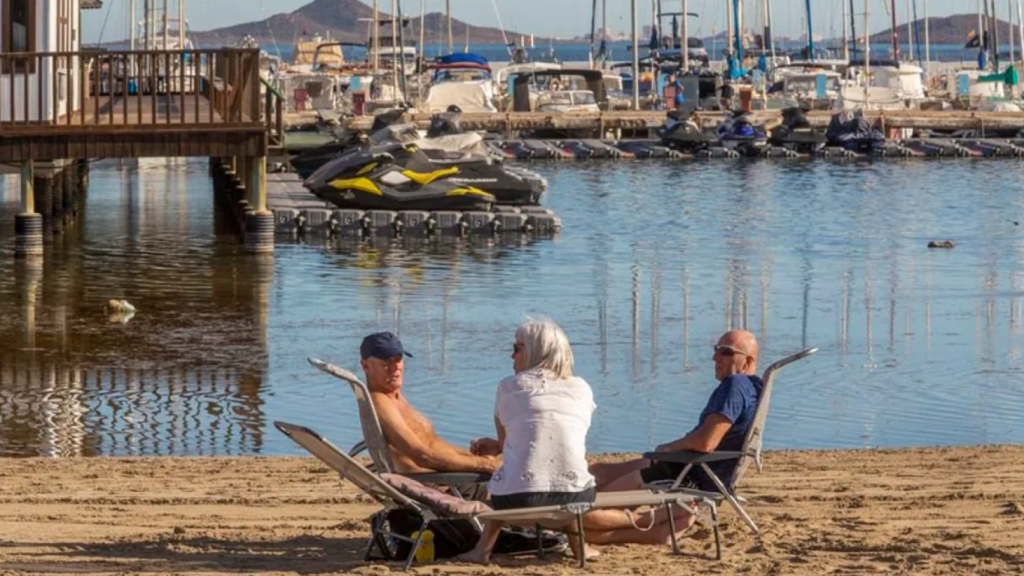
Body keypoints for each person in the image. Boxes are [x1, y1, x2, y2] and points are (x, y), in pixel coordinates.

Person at [458, 318, 694, 564]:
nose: (511, 355)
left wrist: (495, 446)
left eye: (517, 348)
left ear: (536, 351)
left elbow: (509, 443)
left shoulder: (508, 386)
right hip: (577, 501)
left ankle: (482, 550)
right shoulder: (582, 388)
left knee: (505, 479)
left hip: (515, 505)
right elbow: (559, 438)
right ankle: (580, 548)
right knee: (565, 470)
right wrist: (502, 444)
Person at [591, 330, 763, 494]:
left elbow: (706, 443)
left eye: (726, 352)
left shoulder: (735, 386)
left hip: (690, 474)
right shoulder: (753, 388)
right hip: (688, 465)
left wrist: (669, 448)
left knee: (601, 499)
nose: (715, 358)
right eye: (716, 350)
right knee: (598, 472)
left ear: (747, 362)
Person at [360, 331, 498, 474]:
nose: (395, 368)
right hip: (438, 483)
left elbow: (433, 444)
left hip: (448, 476)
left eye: (398, 359)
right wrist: (485, 465)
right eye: (386, 362)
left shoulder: (394, 398)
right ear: (366, 366)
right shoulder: (380, 403)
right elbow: (422, 457)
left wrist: (476, 457)